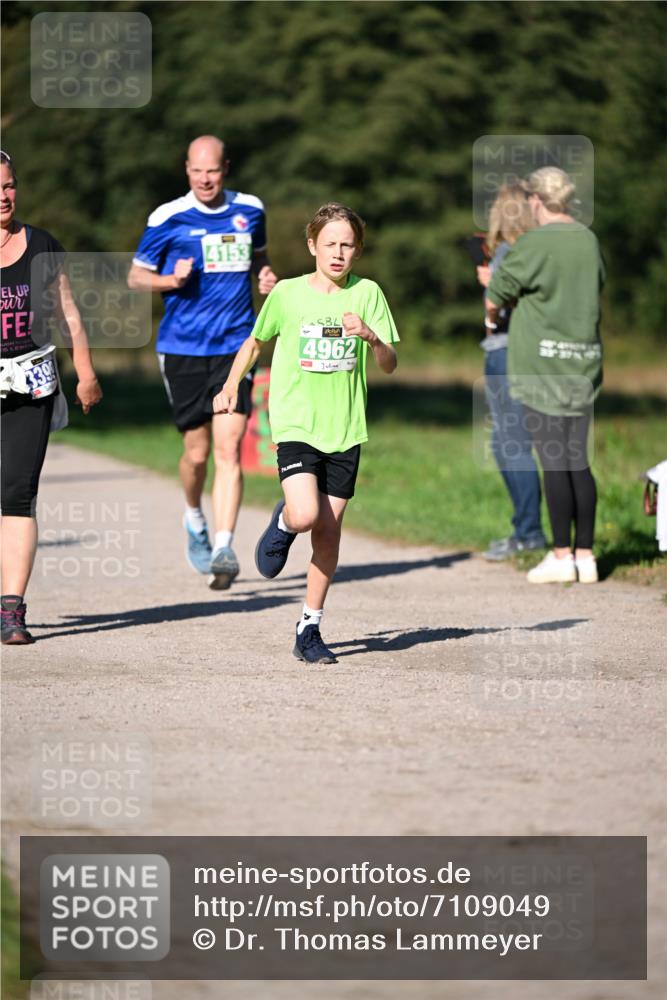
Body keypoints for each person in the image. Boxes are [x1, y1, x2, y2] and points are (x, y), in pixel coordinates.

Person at [213, 203, 399, 663]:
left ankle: (309, 628)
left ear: (358, 251)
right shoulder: (289, 295)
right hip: (296, 421)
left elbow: (391, 362)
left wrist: (372, 337)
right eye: (330, 243)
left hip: (346, 427)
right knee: (303, 514)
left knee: (329, 535)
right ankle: (283, 522)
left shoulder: (368, 294)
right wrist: (230, 384)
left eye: (347, 245)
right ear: (313, 245)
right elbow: (256, 341)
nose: (338, 253)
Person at [128, 135, 277, 589]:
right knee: (196, 454)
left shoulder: (251, 209)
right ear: (186, 170)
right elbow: (136, 276)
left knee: (229, 447)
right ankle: (194, 517)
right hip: (183, 348)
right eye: (197, 170)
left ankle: (224, 546)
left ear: (225, 168)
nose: (205, 178)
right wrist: (170, 279)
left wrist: (267, 278)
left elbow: (260, 261)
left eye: (212, 170)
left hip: (236, 344)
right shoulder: (167, 217)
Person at [0, 150, 102, 644]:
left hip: (31, 382)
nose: (4, 195)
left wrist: (85, 373)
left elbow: (69, 313)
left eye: (10, 185)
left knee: (18, 494)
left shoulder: (42, 245)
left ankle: (11, 610)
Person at [485, 167, 604, 584]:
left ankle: (560, 555)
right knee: (578, 461)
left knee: (554, 462)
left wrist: (491, 314)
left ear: (536, 200)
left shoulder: (534, 242)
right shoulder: (588, 239)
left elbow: (496, 294)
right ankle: (586, 556)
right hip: (583, 362)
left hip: (542, 367)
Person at [475, 183, 546, 560]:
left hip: (505, 352)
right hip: (531, 355)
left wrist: (491, 287)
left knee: (512, 443)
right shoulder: (538, 251)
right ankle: (526, 527)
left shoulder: (507, 251)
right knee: (508, 443)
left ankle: (529, 531)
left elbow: (500, 309)